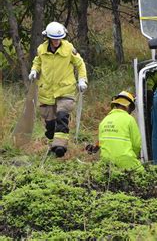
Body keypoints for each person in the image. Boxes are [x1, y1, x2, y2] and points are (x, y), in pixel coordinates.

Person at [29, 21, 87, 157]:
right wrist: (33, 70)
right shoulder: (41, 49)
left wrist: (82, 79)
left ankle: (60, 146)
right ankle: (53, 145)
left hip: (65, 90)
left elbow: (80, 64)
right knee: (50, 125)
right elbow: (37, 61)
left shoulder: (69, 49)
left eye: (59, 39)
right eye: (54, 39)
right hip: (46, 91)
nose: (56, 41)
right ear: (48, 38)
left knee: (62, 116)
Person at [98, 91, 143, 171]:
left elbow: (101, 142)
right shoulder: (129, 119)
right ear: (129, 106)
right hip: (125, 160)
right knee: (142, 175)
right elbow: (136, 144)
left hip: (106, 162)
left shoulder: (104, 120)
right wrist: (133, 157)